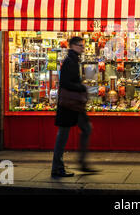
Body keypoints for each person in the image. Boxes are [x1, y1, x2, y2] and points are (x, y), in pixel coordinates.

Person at [51, 36, 97, 178]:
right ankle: (57, 167)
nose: (83, 48)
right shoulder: (69, 62)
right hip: (69, 104)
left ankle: (82, 162)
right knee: (63, 135)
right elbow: (65, 83)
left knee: (86, 128)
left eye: (83, 46)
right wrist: (82, 87)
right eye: (80, 45)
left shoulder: (73, 60)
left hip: (75, 104)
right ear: (72, 46)